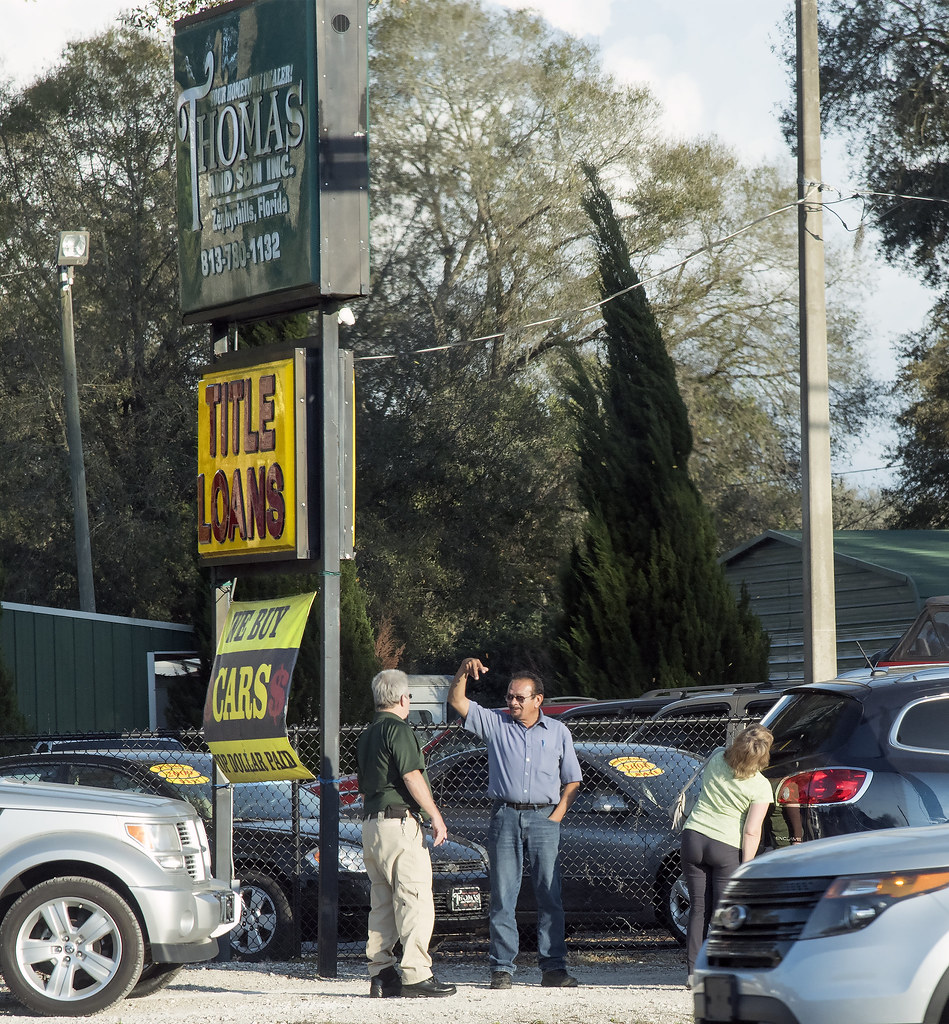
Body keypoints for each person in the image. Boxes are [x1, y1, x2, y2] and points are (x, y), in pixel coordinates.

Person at [447, 657, 582, 989]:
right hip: (505, 815)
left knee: (549, 896)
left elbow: (573, 780)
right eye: (510, 696)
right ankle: (502, 968)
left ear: (538, 700)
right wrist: (464, 671)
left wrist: (556, 816)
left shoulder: (559, 732)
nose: (512, 702)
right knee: (503, 895)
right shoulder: (495, 723)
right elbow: (456, 701)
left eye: (520, 697)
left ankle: (553, 969)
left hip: (543, 818)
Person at [356, 669, 456, 999]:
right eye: (409, 696)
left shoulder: (369, 732)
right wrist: (435, 816)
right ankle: (415, 973)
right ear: (403, 698)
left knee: (382, 901)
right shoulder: (398, 729)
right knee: (414, 899)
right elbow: (412, 776)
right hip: (399, 823)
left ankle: (381, 974)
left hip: (371, 824)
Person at [680, 724, 774, 982]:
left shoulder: (717, 755)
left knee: (698, 908)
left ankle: (692, 973)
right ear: (764, 754)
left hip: (694, 836)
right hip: (726, 846)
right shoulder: (761, 786)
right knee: (725, 912)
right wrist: (747, 866)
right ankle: (723, 969)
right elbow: (752, 832)